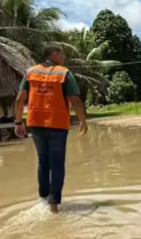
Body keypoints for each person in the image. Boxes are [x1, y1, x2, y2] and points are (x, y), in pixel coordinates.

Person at [14, 45, 88, 213]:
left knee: (43, 161)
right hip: (57, 124)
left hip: (35, 123)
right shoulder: (63, 73)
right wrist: (83, 120)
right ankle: (54, 205)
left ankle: (43, 200)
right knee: (57, 163)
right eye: (62, 54)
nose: (64, 57)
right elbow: (75, 100)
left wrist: (18, 122)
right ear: (54, 54)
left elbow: (20, 99)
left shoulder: (30, 72)